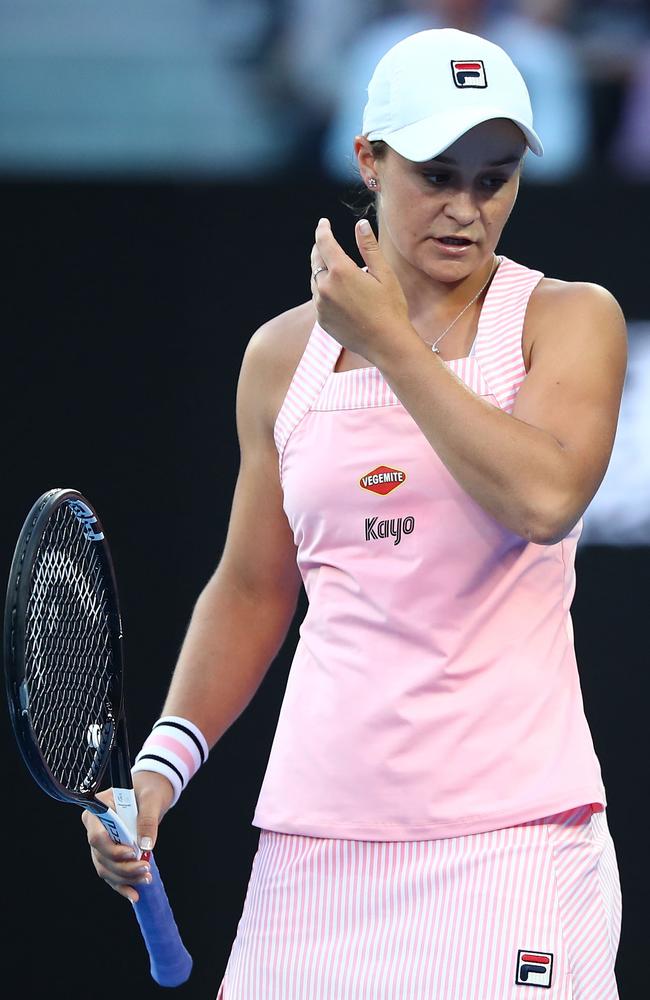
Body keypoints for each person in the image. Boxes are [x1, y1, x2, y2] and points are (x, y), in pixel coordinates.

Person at [81, 27, 626, 999]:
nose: (465, 209)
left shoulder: (565, 318)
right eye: (436, 173)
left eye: (494, 179)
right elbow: (251, 589)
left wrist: (393, 346)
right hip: (314, 852)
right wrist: (158, 772)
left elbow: (543, 498)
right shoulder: (276, 359)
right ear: (367, 158)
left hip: (510, 846)